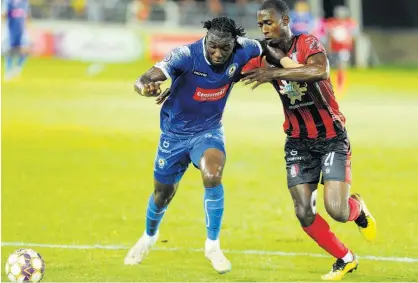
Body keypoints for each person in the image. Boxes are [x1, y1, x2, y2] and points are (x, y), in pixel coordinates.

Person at [124, 16, 272, 274]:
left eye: (224, 48)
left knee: (213, 175)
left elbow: (271, 45)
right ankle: (149, 237)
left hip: (209, 130)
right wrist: (144, 87)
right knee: (162, 195)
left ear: (233, 45)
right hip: (174, 135)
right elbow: (145, 78)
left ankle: (212, 246)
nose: (217, 53)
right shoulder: (185, 55)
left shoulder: (244, 48)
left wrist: (277, 70)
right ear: (206, 39)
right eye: (212, 46)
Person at [241, 0, 376, 280]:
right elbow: (230, 74)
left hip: (331, 138)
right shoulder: (263, 55)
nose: (265, 29)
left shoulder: (307, 43)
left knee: (337, 210)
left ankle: (358, 209)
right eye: (261, 24)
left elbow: (319, 71)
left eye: (269, 22)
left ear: (286, 20)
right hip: (298, 143)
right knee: (303, 212)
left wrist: (275, 72)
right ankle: (345, 258)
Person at [325, 5, 358, 96]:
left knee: (341, 66)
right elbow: (328, 36)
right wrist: (328, 47)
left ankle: (340, 87)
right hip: (334, 48)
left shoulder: (350, 23)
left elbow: (353, 36)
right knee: (332, 68)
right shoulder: (331, 22)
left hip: (344, 49)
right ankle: (332, 86)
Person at [2, 0, 30, 81]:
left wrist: (28, 28)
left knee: (26, 50)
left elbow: (27, 16)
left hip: (21, 30)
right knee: (10, 51)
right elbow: (3, 15)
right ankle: (8, 71)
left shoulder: (25, 2)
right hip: (10, 30)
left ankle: (18, 67)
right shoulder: (8, 2)